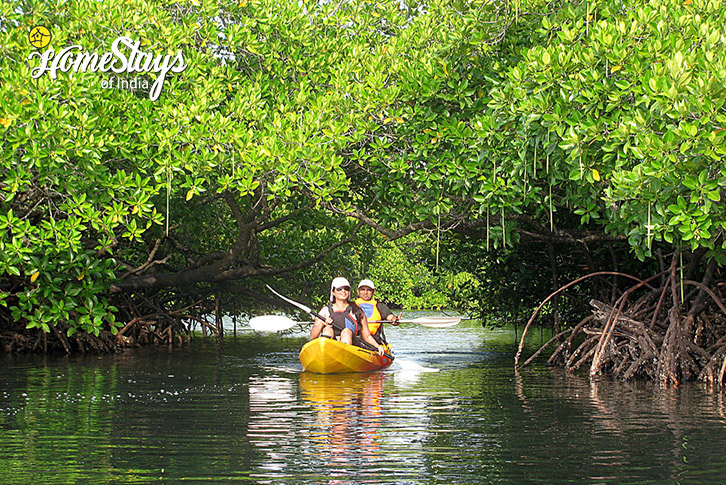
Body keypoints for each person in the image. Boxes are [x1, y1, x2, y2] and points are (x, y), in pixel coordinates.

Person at [310, 277, 386, 355]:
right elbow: (313, 337)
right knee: (327, 330)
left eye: (346, 289)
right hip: (331, 346)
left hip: (352, 345)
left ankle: (344, 355)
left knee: (346, 331)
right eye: (339, 289)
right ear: (333, 292)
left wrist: (378, 347)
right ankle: (325, 354)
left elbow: (366, 335)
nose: (343, 291)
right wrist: (322, 323)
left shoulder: (357, 310)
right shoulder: (325, 311)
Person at [354, 279, 400, 344]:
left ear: (373, 292)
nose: (365, 292)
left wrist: (394, 319)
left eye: (369, 290)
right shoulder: (351, 305)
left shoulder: (380, 306)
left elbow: (390, 317)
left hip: (374, 339)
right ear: (358, 291)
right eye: (362, 289)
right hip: (356, 338)